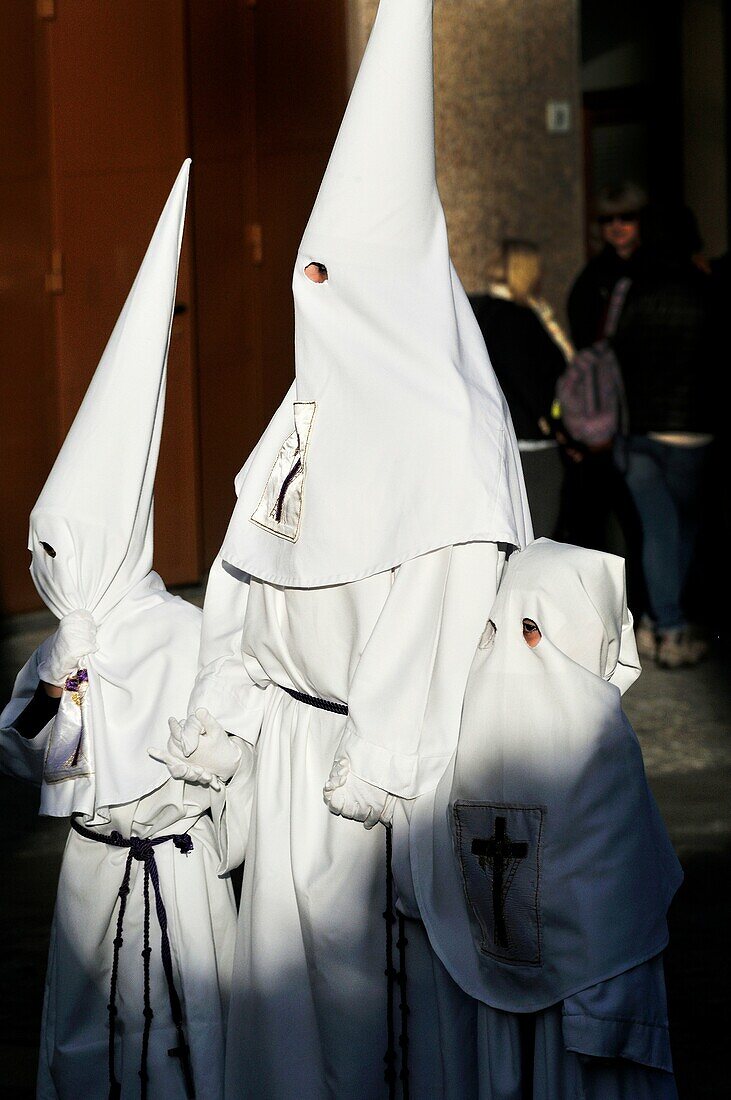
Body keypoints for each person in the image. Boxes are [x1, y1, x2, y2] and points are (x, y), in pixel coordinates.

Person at [151, 2, 532, 1096]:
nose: (307, 299)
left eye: (331, 277)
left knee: (379, 1033)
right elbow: (240, 577)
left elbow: (434, 606)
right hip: (282, 766)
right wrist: (226, 710)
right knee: (282, 1033)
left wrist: (376, 764)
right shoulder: (298, 417)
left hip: (374, 794)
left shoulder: (446, 432)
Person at [0, 163, 236, 1100]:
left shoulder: (185, 631)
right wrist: (59, 696)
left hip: (177, 874)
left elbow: (224, 751)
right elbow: (22, 752)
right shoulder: (62, 643)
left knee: (190, 1039)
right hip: (93, 875)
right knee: (96, 1042)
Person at [404, 538, 682, 1099]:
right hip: (594, 1014)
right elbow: (626, 895)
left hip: (493, 1005)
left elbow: (421, 880)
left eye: (532, 630)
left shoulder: (466, 722)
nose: (517, 650)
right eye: (509, 630)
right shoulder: (597, 739)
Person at [612, 204, 717, 668]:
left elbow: (616, 353)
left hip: (638, 429)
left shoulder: (632, 290)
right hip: (691, 429)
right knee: (683, 531)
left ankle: (654, 625)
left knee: (655, 531)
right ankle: (671, 628)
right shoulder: (706, 290)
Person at [559, 183, 648, 554]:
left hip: (643, 409)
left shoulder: (656, 268)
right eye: (607, 219)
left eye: (626, 217)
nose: (617, 226)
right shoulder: (593, 275)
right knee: (593, 518)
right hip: (602, 413)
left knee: (641, 518)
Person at [470, 239, 573, 538]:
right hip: (530, 442)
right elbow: (530, 380)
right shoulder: (517, 318)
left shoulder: (479, 311)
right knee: (539, 536)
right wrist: (556, 424)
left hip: (494, 439)